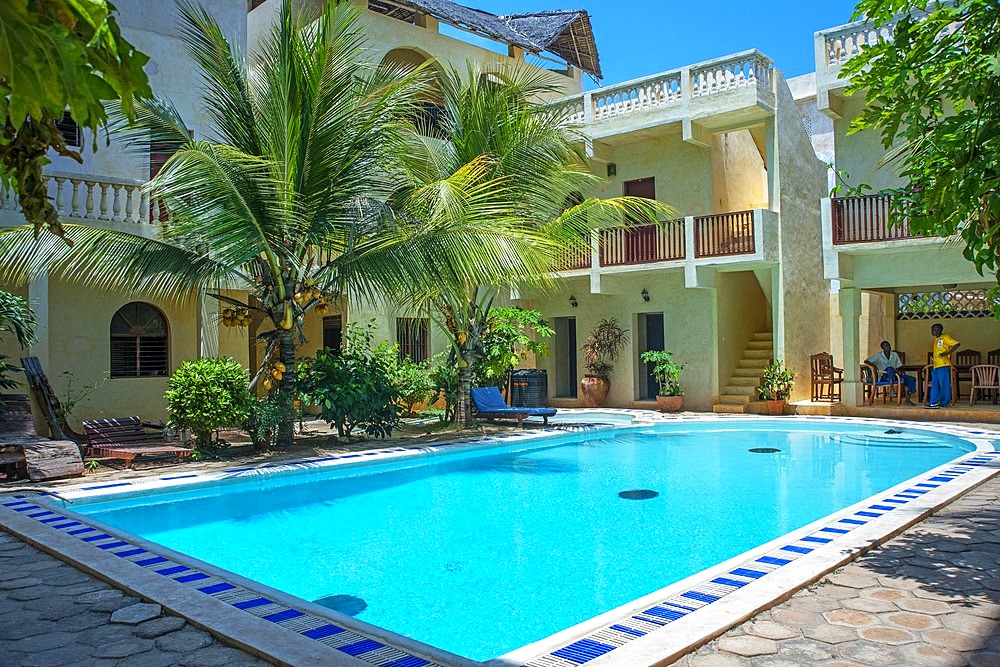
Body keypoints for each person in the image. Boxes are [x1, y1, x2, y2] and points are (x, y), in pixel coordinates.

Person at [864, 340, 916, 405]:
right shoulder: (878, 355)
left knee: (912, 379)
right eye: (886, 346)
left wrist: (898, 373)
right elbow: (866, 361)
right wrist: (873, 366)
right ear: (882, 348)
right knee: (889, 368)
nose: (888, 347)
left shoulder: (894, 355)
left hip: (895, 375)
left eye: (888, 345)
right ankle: (891, 388)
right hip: (884, 376)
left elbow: (898, 367)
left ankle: (907, 400)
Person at [928, 323, 960, 408]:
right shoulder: (936, 340)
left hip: (944, 364)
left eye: (933, 329)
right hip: (936, 366)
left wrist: (946, 353)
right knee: (935, 384)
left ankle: (945, 402)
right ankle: (933, 402)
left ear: (938, 330)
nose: (932, 331)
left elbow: (956, 344)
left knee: (944, 384)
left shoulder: (945, 337)